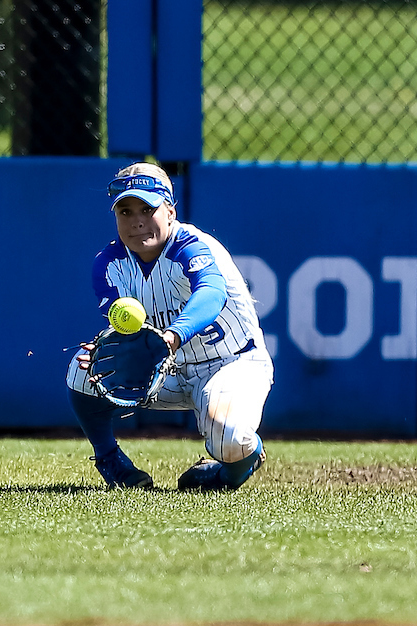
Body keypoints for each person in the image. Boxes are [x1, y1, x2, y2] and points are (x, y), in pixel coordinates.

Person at [66, 162, 273, 490]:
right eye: (125, 211)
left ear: (171, 212)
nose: (137, 221)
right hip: (168, 370)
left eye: (148, 209)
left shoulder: (192, 246)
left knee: (230, 440)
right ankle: (110, 460)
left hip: (232, 364)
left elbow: (211, 292)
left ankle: (226, 473)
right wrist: (111, 347)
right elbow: (126, 333)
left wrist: (174, 336)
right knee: (83, 371)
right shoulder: (108, 265)